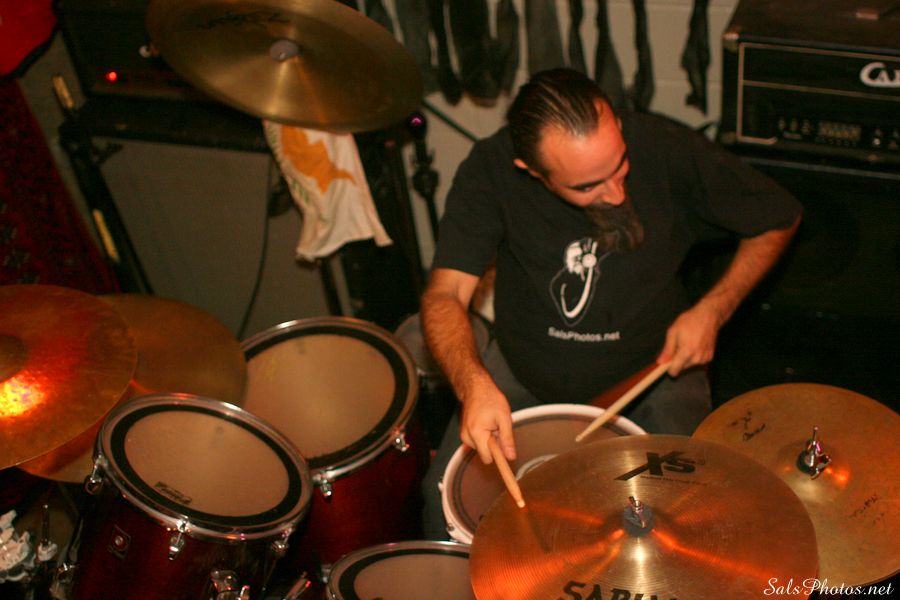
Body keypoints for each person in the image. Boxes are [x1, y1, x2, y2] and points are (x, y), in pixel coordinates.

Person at [419, 68, 800, 538]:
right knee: (442, 504)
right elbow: (445, 294)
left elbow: (778, 217)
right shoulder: (490, 168)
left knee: (687, 516)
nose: (617, 193)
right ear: (531, 171)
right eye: (587, 186)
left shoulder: (668, 148)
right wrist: (472, 384)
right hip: (522, 371)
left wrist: (713, 309)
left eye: (619, 164)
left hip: (656, 370)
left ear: (615, 122)